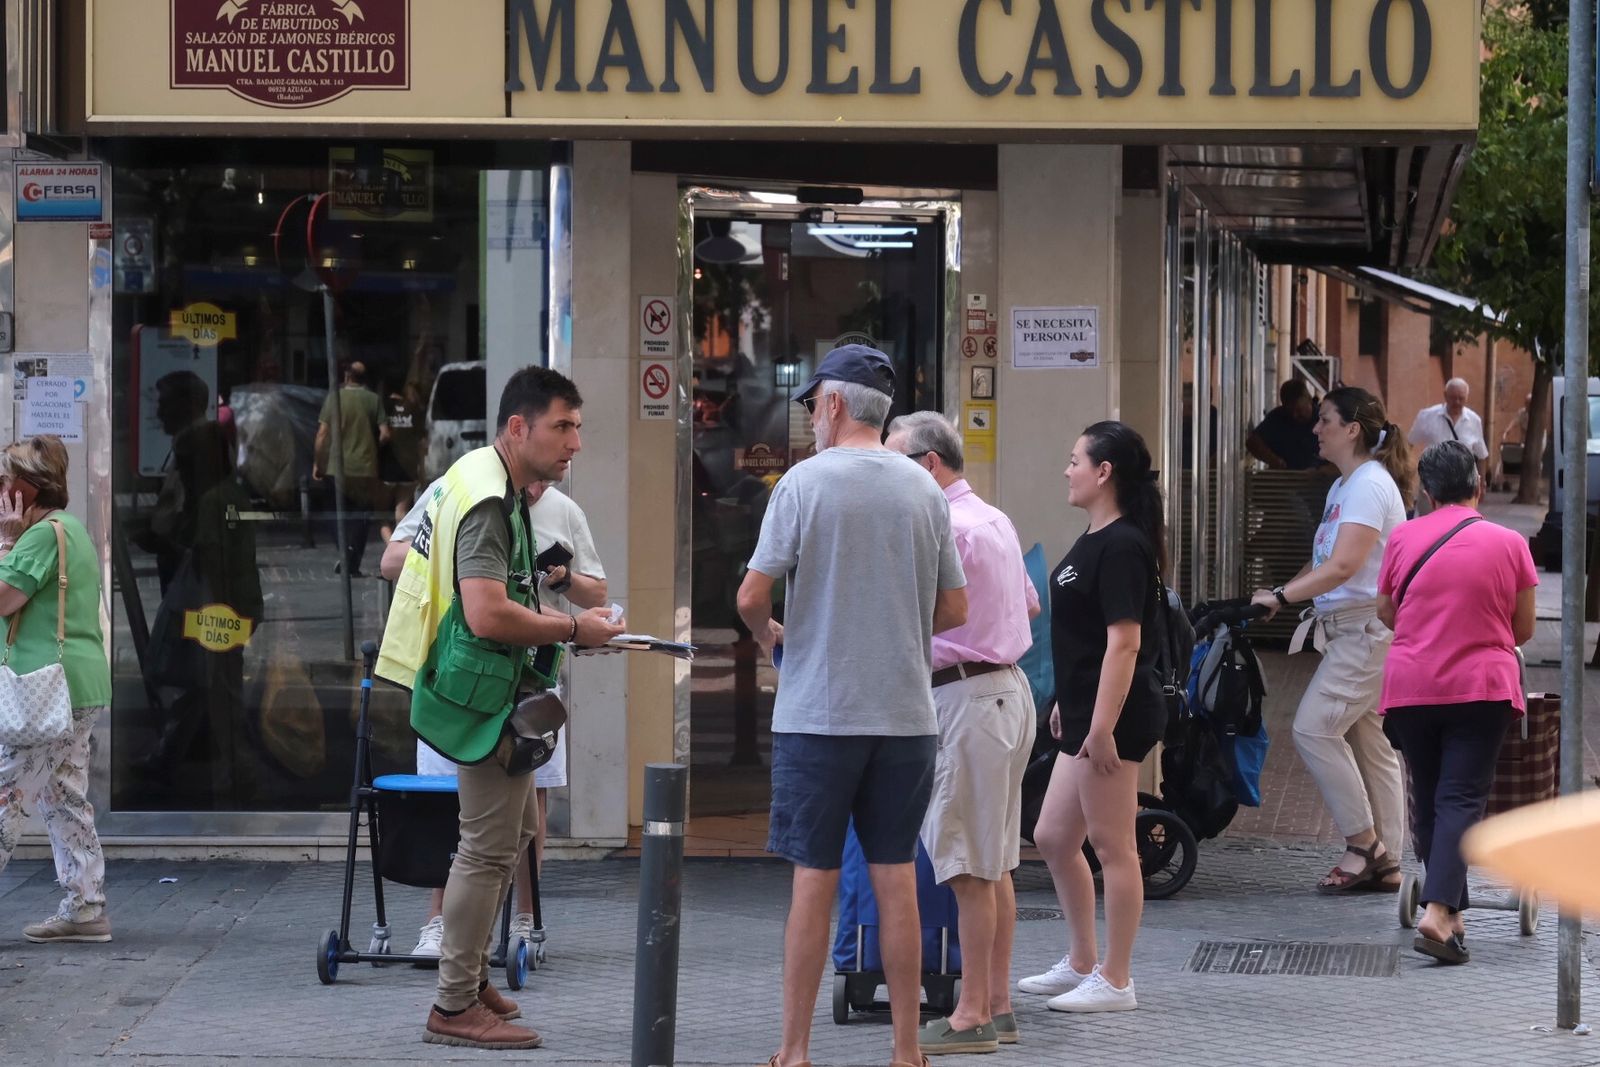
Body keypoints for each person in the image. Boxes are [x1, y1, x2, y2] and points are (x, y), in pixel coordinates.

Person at [376, 367, 624, 1049]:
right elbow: (486, 612)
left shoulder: (476, 478)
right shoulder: (488, 498)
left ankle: (469, 970)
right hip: (481, 697)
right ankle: (454, 1004)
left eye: (577, 426)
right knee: (485, 849)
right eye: (562, 427)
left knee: (509, 835)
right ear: (519, 427)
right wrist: (576, 629)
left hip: (479, 689)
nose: (575, 442)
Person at [737, 344, 967, 1067]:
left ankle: (796, 1049)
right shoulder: (924, 489)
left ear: (834, 404)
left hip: (818, 716)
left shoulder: (803, 485)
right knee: (895, 872)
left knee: (815, 876)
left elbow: (750, 594)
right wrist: (893, 620)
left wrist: (771, 633)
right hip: (906, 717)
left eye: (812, 405)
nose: (810, 417)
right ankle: (906, 1049)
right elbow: (955, 606)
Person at [383, 477, 608, 959]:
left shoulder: (563, 509)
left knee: (533, 802)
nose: (569, 452)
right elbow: (392, 560)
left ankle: (524, 922)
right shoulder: (460, 492)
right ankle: (438, 923)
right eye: (562, 432)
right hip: (459, 679)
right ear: (521, 430)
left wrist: (561, 579)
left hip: (531, 679)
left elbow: (596, 591)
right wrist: (472, 563)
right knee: (450, 800)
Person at [882, 412, 1037, 1056]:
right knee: (995, 861)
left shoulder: (944, 526)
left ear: (927, 466)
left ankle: (972, 1013)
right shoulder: (993, 518)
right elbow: (1027, 603)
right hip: (1006, 690)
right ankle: (995, 1004)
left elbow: (931, 616)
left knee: (970, 867)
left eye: (892, 462)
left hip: (967, 698)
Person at [1021, 421, 1167, 1015]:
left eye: (1074, 459)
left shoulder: (1125, 545)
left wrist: (1102, 724)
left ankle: (1116, 979)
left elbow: (1124, 644)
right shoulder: (1095, 537)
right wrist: (1066, 705)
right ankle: (1082, 961)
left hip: (1114, 718)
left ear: (1104, 473)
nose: (1067, 470)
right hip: (1082, 714)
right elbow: (1082, 640)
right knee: (1053, 836)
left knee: (1113, 847)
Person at [1377, 441, 1537, 964]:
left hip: (1411, 687)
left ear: (1425, 491)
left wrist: (1427, 634)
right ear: (1480, 486)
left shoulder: (1402, 537)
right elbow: (1523, 628)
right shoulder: (1510, 543)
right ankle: (1439, 910)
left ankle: (1451, 912)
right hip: (1481, 688)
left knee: (1429, 794)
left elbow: (1386, 611)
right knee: (1461, 799)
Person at [1251, 385, 1414, 893]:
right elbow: (1325, 561)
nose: (1315, 429)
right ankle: (1388, 862)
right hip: (1354, 630)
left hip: (1364, 631)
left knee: (1314, 728)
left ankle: (1364, 844)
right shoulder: (1346, 485)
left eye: (1324, 420)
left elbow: (1344, 566)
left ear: (1352, 429)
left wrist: (1281, 595)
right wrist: (1284, 592)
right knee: (1371, 743)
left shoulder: (1367, 485)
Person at [0, 437, 114, 943]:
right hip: (76, 685)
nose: (1, 491)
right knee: (64, 795)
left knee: (7, 793)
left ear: (26, 487)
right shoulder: (71, 530)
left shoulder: (39, 536)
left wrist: (5, 541)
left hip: (45, 691)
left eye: (5, 482)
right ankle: (86, 906)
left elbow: (3, 600)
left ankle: (86, 906)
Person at [314, 359, 391, 576]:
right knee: (361, 514)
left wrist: (318, 463)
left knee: (333, 512)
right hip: (365, 466)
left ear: (346, 376)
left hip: (336, 466)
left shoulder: (334, 398)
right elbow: (385, 433)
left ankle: (344, 550)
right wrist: (372, 446)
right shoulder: (373, 400)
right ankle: (352, 559)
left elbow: (322, 435)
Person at [1407, 378, 1490, 494]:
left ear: (1467, 397)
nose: (1457, 402)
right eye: (1453, 397)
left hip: (1462, 484)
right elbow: (1408, 444)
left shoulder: (1474, 420)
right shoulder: (1426, 416)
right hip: (1432, 483)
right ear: (1445, 395)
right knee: (1429, 512)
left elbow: (1481, 455)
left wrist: (1482, 484)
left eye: (1461, 398)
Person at [1246, 378, 1321, 470]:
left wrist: (1321, 470)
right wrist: (1272, 459)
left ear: (1309, 400)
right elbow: (1252, 442)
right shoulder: (1278, 417)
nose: (1294, 415)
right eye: (1290, 411)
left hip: (1318, 481)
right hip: (1283, 480)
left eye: (1299, 410)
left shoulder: (1325, 420)